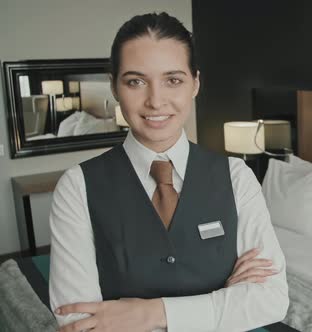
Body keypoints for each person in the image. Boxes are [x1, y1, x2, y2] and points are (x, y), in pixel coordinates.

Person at [48, 12, 289, 332]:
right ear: (115, 88)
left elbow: (270, 300)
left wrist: (147, 314)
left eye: (173, 80)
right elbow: (78, 322)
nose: (155, 101)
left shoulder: (237, 176)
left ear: (195, 84)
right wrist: (223, 300)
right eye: (136, 81)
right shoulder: (77, 186)